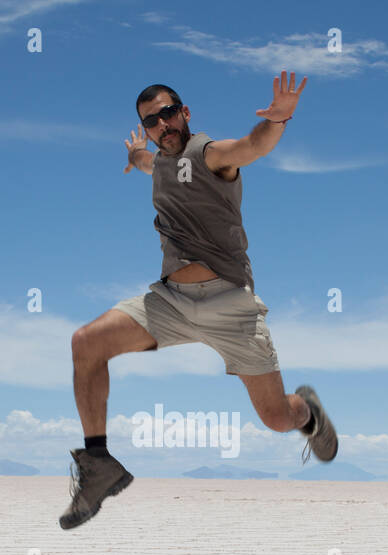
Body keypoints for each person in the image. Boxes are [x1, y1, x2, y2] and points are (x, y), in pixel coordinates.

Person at [61, 71, 338, 530]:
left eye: (169, 113)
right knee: (86, 342)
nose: (162, 125)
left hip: (229, 306)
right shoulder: (161, 161)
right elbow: (152, 163)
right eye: (152, 121)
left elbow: (252, 146)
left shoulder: (209, 154)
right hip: (170, 301)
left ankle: (306, 412)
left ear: (185, 114)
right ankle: (99, 465)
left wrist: (279, 121)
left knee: (274, 418)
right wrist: (136, 155)